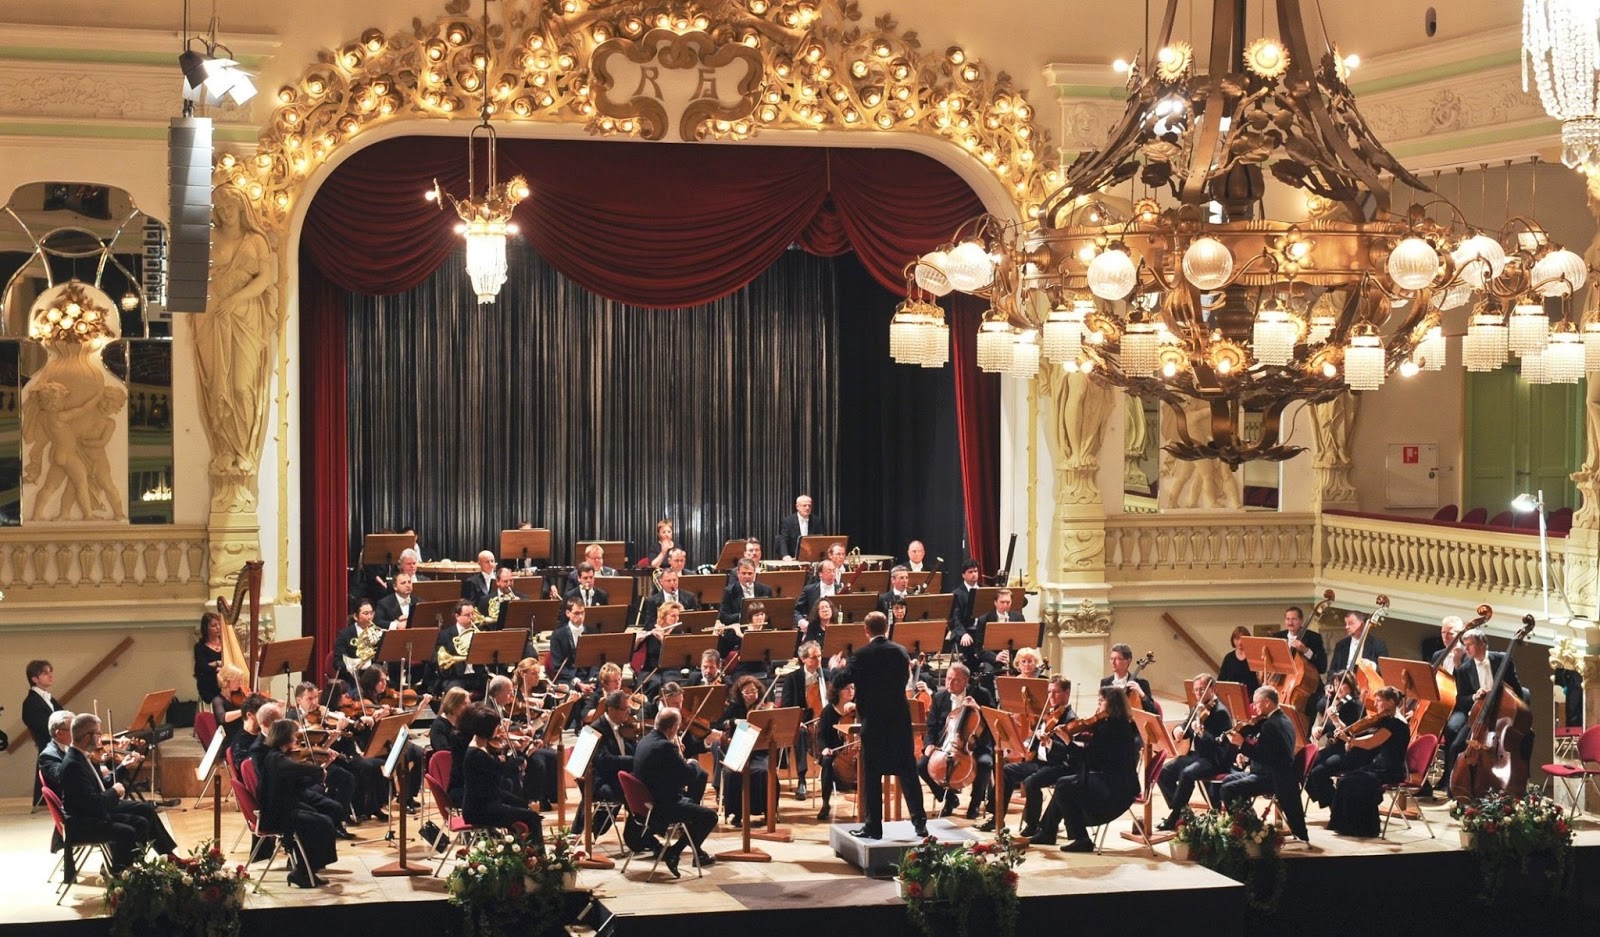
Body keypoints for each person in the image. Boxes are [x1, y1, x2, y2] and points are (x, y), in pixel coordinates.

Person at [843, 611, 928, 839]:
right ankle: (920, 823)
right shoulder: (900, 651)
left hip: (874, 720)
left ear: (866, 630)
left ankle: (874, 827)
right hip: (899, 718)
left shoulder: (861, 655)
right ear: (887, 627)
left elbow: (843, 680)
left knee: (872, 775)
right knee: (908, 771)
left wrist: (838, 666)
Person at [1030, 685, 1142, 852]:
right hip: (1109, 778)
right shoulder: (1112, 724)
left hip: (1115, 788)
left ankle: (1081, 838)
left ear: (1113, 704)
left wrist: (1068, 742)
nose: (1099, 702)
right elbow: (1092, 754)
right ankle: (1047, 831)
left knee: (1064, 785)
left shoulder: (1113, 728)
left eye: (1102, 700)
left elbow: (1090, 759)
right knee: (1065, 784)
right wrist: (1061, 743)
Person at [58, 713, 154, 873]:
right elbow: (93, 804)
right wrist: (115, 792)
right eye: (98, 733)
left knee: (141, 822)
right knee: (128, 830)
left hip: (90, 814)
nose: (100, 738)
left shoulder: (81, 757)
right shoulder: (73, 765)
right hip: (83, 823)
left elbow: (98, 786)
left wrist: (123, 767)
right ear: (87, 736)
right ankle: (119, 874)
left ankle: (129, 868)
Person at [1213, 685, 1309, 843]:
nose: (1253, 707)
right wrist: (1247, 757)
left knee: (1228, 789)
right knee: (1228, 780)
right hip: (1269, 771)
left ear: (1266, 702)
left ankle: (1248, 830)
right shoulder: (1282, 719)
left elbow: (1268, 757)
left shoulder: (1271, 725)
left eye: (1256, 703)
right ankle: (1252, 824)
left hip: (1273, 777)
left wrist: (1242, 744)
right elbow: (1269, 751)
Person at [982, 675, 1076, 835]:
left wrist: (1049, 743)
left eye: (1055, 692)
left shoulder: (1070, 718)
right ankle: (996, 817)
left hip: (1059, 765)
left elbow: (1067, 751)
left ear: (1066, 693)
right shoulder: (1047, 714)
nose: (1051, 697)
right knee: (1006, 771)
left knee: (1031, 782)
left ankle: (1032, 825)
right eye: (1049, 692)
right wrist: (1024, 744)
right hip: (1039, 762)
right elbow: (1034, 741)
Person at [632, 708, 718, 877]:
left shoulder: (646, 740)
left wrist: (678, 756)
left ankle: (695, 852)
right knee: (709, 817)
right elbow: (688, 776)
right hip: (663, 806)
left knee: (693, 807)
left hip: (648, 802)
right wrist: (691, 762)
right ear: (672, 728)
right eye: (677, 728)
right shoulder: (665, 746)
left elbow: (668, 772)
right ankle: (674, 852)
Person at [1443, 628, 1525, 795]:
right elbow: (1461, 700)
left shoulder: (1502, 660)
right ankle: (1454, 791)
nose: (1467, 649)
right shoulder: (1464, 669)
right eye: (1465, 645)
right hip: (1479, 718)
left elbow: (1518, 691)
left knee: (1526, 739)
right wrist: (1474, 696)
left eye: (1470, 645)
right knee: (1456, 746)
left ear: (1482, 644)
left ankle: (1515, 787)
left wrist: (1502, 691)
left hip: (1502, 715)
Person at [257, 719, 338, 887]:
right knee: (322, 823)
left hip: (284, 808)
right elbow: (298, 769)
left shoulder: (277, 756)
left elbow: (297, 783)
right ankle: (302, 871)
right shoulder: (275, 758)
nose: (296, 737)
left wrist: (322, 768)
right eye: (294, 734)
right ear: (285, 737)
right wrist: (318, 770)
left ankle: (307, 869)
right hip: (276, 815)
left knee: (323, 819)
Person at [1328, 686, 1410, 837]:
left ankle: (1363, 828)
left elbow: (1372, 742)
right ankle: (1346, 825)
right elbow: (1369, 737)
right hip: (1380, 765)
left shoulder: (1396, 723)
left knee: (1354, 782)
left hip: (1391, 770)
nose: (1376, 704)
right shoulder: (1388, 720)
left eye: (1379, 701)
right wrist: (1352, 740)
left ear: (1391, 702)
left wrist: (1351, 740)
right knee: (1347, 780)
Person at [1156, 674, 1235, 831]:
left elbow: (1221, 743)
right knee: (1162, 772)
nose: (1198, 693)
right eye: (1195, 690)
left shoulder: (1221, 712)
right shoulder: (1198, 707)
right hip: (1197, 756)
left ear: (1212, 689)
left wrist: (1201, 734)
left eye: (1201, 689)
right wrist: (1178, 730)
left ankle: (1175, 815)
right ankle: (1182, 813)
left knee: (1187, 774)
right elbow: (1185, 727)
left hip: (1214, 758)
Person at [918, 662, 994, 819]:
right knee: (922, 765)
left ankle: (975, 803)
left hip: (976, 745)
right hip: (946, 745)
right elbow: (931, 727)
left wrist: (978, 708)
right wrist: (929, 745)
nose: (949, 683)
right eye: (948, 678)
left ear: (966, 681)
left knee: (985, 764)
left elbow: (994, 720)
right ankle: (949, 798)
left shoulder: (982, 694)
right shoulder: (939, 697)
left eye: (955, 680)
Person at [458, 703, 543, 841]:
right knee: (532, 818)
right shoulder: (476, 754)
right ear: (487, 729)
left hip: (488, 800)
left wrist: (522, 753)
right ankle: (537, 856)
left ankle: (521, 851)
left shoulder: (481, 747)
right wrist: (524, 753)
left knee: (522, 804)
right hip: (479, 810)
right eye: (496, 728)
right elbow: (505, 769)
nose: (499, 731)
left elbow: (501, 767)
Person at [1303, 672, 1366, 808]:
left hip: (1347, 750)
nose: (1338, 687)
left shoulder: (1356, 705)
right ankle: (1332, 801)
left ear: (1350, 685)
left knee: (1318, 772)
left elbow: (1352, 731)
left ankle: (1335, 805)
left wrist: (1335, 719)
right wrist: (1319, 729)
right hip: (1333, 748)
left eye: (1342, 683)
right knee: (1305, 766)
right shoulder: (1338, 703)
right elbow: (1324, 716)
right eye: (1336, 684)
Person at [717, 675, 771, 827]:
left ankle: (765, 811)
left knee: (762, 771)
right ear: (740, 694)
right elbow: (720, 722)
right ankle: (736, 813)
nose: (752, 694)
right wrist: (734, 721)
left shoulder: (764, 707)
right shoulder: (735, 708)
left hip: (758, 752)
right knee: (731, 773)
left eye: (754, 690)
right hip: (739, 750)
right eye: (747, 692)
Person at [782, 641, 832, 799]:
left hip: (823, 720)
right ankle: (802, 779)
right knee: (801, 733)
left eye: (820, 656)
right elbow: (787, 705)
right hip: (802, 722)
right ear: (803, 659)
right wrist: (798, 721)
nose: (818, 660)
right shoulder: (792, 678)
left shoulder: (827, 675)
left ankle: (836, 775)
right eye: (814, 657)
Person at [814, 673, 856, 821]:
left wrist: (858, 707)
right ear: (837, 691)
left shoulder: (858, 707)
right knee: (826, 761)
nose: (851, 691)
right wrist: (824, 748)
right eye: (846, 688)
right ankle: (825, 803)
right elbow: (821, 736)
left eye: (852, 688)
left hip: (854, 749)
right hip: (833, 750)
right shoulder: (828, 711)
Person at [1274, 605, 1327, 715]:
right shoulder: (1278, 637)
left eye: (1294, 619)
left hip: (1306, 689)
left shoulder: (1313, 638)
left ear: (1301, 620)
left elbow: (1322, 666)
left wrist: (1306, 650)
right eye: (1287, 619)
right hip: (1281, 685)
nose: (1290, 622)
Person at [24, 659, 64, 804]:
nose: (50, 675)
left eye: (50, 671)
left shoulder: (49, 699)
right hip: (49, 745)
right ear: (35, 679)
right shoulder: (31, 702)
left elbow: (64, 717)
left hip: (56, 743)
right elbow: (44, 728)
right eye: (45, 673)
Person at [958, 587, 1022, 673]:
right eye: (1002, 602)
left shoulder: (1018, 618)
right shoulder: (984, 620)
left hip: (1014, 659)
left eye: (1008, 602)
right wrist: (995, 657)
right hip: (992, 659)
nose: (1005, 605)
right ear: (995, 602)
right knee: (988, 674)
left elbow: (1023, 644)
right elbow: (979, 648)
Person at [432, 600, 483, 695]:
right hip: (455, 676)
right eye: (467, 615)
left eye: (472, 614)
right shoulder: (445, 634)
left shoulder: (479, 633)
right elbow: (436, 657)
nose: (471, 618)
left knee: (495, 686)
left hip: (477, 674)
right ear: (457, 616)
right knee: (455, 692)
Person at [1102, 643, 1158, 715]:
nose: (1113, 662)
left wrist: (1141, 694)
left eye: (1118, 659)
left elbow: (1153, 711)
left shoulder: (1142, 683)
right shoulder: (1105, 682)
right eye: (1111, 659)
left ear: (1128, 661)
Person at [1328, 610, 1388, 676]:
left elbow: (1386, 670)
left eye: (1350, 623)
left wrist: (1372, 665)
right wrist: (1329, 684)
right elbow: (1332, 670)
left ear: (1362, 624)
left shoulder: (1377, 644)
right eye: (1346, 624)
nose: (1346, 627)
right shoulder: (1341, 645)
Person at [719, 558, 773, 624]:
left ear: (754, 573)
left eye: (750, 573)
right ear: (738, 573)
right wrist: (744, 616)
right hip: (738, 630)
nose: (747, 576)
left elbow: (770, 614)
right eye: (743, 573)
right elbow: (724, 617)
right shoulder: (729, 591)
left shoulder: (766, 590)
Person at [946, 560, 983, 652]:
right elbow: (954, 618)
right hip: (966, 630)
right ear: (963, 575)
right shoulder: (957, 594)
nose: (974, 574)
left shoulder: (985, 589)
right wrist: (963, 633)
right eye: (970, 572)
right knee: (968, 645)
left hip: (983, 630)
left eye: (975, 571)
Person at [1216, 625, 1262, 696]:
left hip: (1252, 696)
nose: (1240, 642)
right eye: (1237, 639)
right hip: (1233, 695)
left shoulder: (1254, 656)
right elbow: (1221, 680)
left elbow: (1260, 680)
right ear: (1233, 640)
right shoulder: (1229, 658)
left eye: (1242, 639)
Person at [793, 559, 841, 624]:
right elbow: (797, 610)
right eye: (829, 571)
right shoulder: (809, 590)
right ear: (820, 574)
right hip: (813, 628)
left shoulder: (841, 588)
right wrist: (801, 622)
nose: (832, 574)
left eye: (834, 571)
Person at [193, 612, 226, 704]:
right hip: (209, 686)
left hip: (226, 685)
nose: (218, 627)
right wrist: (218, 663)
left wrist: (212, 665)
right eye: (213, 625)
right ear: (206, 628)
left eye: (219, 624)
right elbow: (201, 667)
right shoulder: (200, 647)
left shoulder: (226, 645)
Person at [776, 494, 817, 560]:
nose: (807, 508)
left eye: (809, 505)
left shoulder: (816, 521)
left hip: (811, 557)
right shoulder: (788, 521)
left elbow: (820, 539)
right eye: (804, 505)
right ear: (797, 507)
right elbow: (783, 540)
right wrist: (785, 555)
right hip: (793, 557)